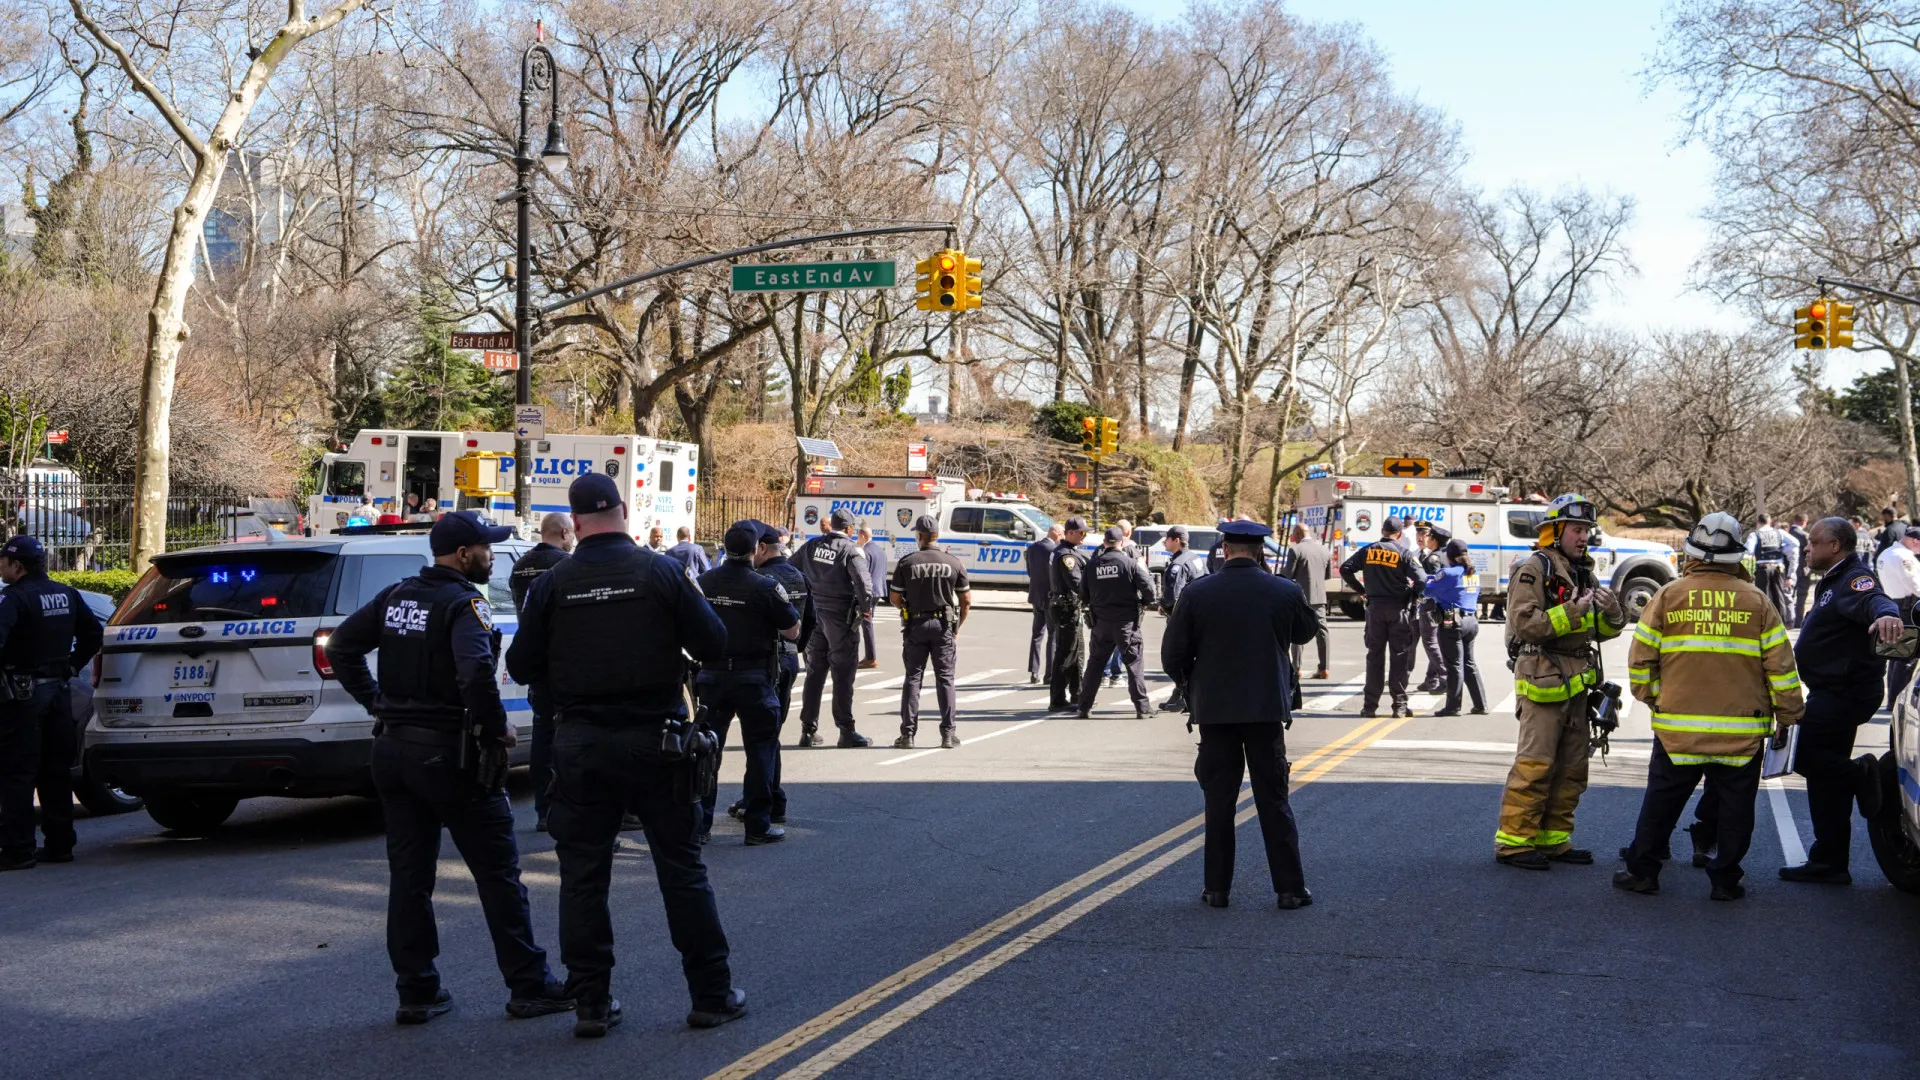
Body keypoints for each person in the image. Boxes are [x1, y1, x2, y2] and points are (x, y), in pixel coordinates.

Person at [504, 474, 742, 1038]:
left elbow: (520, 666)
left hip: (580, 741)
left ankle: (591, 1003)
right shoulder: (659, 571)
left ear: (576, 523)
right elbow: (714, 642)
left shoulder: (556, 582)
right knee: (681, 871)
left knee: (582, 877)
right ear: (624, 513)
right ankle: (710, 995)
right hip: (655, 738)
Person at [326, 511, 570, 1026]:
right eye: (485, 548)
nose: (489, 557)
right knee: (498, 874)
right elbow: (475, 670)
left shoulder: (396, 597)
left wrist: (378, 704)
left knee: (409, 878)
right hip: (450, 755)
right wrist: (495, 726)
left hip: (393, 751)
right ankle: (528, 985)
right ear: (464, 555)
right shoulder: (465, 604)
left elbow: (342, 646)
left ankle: (416, 991)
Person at [1614, 513, 1804, 901]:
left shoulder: (1668, 595)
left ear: (1693, 553)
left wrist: (1657, 699)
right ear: (1737, 555)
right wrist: (1789, 716)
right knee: (1735, 812)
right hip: (1741, 734)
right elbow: (1782, 669)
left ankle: (1644, 873)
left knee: (1661, 804)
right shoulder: (1758, 602)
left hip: (1678, 732)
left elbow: (1640, 660)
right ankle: (1724, 880)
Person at [1161, 519, 1319, 910]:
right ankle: (1289, 889)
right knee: (1273, 800)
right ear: (1261, 551)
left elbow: (1172, 655)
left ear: (1225, 549)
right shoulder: (1283, 590)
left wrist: (1190, 684)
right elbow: (1305, 633)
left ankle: (1217, 889)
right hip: (1265, 710)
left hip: (1215, 711)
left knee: (1219, 803)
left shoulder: (1198, 592)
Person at [1493, 493, 1626, 870]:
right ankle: (1515, 842)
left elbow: (1598, 631)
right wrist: (1572, 609)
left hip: (1576, 684)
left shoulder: (1583, 571)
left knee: (1571, 768)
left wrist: (1614, 613)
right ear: (1554, 531)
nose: (1584, 536)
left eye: (1587, 530)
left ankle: (1553, 839)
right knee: (1536, 764)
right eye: (1577, 529)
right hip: (1543, 680)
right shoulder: (1534, 568)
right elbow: (1525, 624)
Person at [1781, 516, 1904, 886]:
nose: (1806, 548)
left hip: (1845, 692)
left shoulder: (1853, 576)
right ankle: (1830, 860)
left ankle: (1861, 772)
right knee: (1823, 780)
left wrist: (1886, 615)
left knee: (1803, 755)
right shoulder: (1833, 579)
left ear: (1834, 546)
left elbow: (1875, 599)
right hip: (1831, 691)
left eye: (1813, 543)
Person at [0, 536, 102, 871]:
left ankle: (18, 850)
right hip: (59, 691)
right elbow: (92, 635)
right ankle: (60, 844)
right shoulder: (67, 593)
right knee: (55, 770)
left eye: (3, 560)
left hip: (24, 696)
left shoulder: (14, 598)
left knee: (18, 773)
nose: (0, 566)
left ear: (18, 565)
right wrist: (72, 665)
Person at [696, 521, 800, 846]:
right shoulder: (764, 587)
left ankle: (699, 827)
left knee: (705, 752)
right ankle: (757, 826)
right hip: (754, 678)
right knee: (760, 751)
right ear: (756, 550)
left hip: (711, 677)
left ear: (724, 549)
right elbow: (793, 630)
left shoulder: (703, 582)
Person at [510, 514, 577, 833]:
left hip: (537, 664)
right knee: (570, 737)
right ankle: (565, 805)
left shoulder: (520, 565)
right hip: (565, 663)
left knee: (542, 734)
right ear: (564, 532)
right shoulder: (566, 565)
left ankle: (542, 808)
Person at [794, 507, 875, 748]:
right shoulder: (851, 550)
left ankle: (808, 730)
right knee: (842, 674)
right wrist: (866, 607)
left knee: (814, 672)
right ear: (850, 529)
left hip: (815, 615)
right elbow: (864, 584)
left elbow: (790, 568)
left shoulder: (811, 546)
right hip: (840, 618)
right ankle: (846, 730)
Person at [890, 515, 971, 749]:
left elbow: (895, 597)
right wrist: (956, 627)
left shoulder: (908, 562)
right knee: (945, 679)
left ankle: (907, 735)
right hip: (943, 626)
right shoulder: (953, 562)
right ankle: (948, 734)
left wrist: (906, 607)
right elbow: (965, 601)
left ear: (919, 536)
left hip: (915, 624)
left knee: (913, 679)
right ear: (937, 535)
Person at [1338, 516, 1425, 718]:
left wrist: (1362, 590)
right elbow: (1420, 579)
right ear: (1399, 534)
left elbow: (1345, 569)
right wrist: (1413, 596)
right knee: (1400, 658)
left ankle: (1369, 707)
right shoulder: (1403, 553)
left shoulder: (1368, 550)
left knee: (1374, 658)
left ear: (1383, 531)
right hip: (1398, 610)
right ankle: (1400, 706)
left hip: (1375, 610)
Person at [1077, 525, 1156, 718]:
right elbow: (1150, 590)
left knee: (1095, 664)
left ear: (1105, 543)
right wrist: (1144, 603)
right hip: (1126, 623)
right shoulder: (1129, 563)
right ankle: (1142, 708)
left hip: (1101, 623)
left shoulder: (1092, 565)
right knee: (1134, 664)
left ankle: (1084, 707)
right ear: (1121, 543)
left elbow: (1082, 594)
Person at [1424, 538, 1486, 717]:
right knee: (1469, 664)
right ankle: (1480, 704)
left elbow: (1427, 591)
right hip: (1471, 621)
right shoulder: (1473, 573)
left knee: (1454, 665)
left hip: (1453, 621)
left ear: (1449, 557)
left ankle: (1453, 706)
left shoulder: (1448, 574)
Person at [1158, 525, 1207, 712]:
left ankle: (1184, 695)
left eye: (1167, 538)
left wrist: (1163, 604)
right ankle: (1180, 695)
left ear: (1176, 540)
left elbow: (1173, 595)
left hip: (1182, 618)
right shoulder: (1195, 558)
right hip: (1197, 615)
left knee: (1174, 657)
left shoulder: (1178, 565)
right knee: (1189, 656)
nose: (1164, 541)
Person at [1048, 518, 1091, 714]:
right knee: (1066, 654)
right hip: (1066, 608)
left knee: (1076, 652)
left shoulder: (1067, 552)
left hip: (1068, 607)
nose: (1084, 536)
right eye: (1081, 532)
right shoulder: (1067, 556)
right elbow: (1076, 583)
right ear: (1071, 532)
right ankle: (1057, 699)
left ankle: (1077, 694)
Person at [1875, 524, 1920, 706]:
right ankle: (1897, 701)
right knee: (1907, 656)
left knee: (1896, 656)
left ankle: (1893, 699)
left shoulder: (1886, 553)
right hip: (1908, 607)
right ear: (1915, 541)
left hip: (1894, 603)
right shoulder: (1904, 557)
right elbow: (1915, 584)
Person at [1284, 524, 1331, 682]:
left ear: (1297, 534)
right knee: (1322, 632)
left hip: (1301, 596)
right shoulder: (1324, 550)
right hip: (1319, 597)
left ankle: (1297, 668)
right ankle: (1324, 668)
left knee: (1298, 631)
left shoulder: (1296, 550)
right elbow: (1328, 575)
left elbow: (1287, 576)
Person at [1411, 522, 1448, 693]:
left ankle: (1444, 676)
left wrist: (1423, 596)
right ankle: (1431, 678)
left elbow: (1433, 581)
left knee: (1431, 642)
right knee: (1429, 641)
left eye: (1425, 534)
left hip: (1429, 604)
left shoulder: (1434, 557)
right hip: (1424, 604)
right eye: (1418, 534)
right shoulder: (1415, 554)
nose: (1421, 537)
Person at [1025, 523, 1062, 685]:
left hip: (1036, 595)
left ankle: (1034, 672)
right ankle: (1049, 674)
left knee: (1037, 635)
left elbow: (1030, 571)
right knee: (1052, 635)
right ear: (1057, 535)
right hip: (1050, 596)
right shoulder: (1054, 551)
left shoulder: (1033, 548)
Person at [1745, 512, 1797, 621]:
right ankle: (1780, 622)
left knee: (1763, 596)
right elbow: (1795, 543)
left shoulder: (1755, 534)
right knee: (1779, 596)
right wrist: (1782, 548)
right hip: (1778, 567)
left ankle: (1765, 622)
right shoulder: (1779, 533)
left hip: (1763, 568)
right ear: (1770, 522)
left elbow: (1749, 551)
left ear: (1758, 522)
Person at [857, 525, 889, 669]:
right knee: (867, 622)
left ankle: (870, 657)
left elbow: (864, 574)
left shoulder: (865, 551)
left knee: (866, 623)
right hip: (879, 590)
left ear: (863, 536)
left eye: (858, 536)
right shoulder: (880, 550)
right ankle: (869, 656)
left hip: (869, 592)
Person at [1788, 512, 1813, 628]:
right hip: (1803, 569)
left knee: (1789, 595)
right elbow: (1810, 552)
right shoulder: (1805, 536)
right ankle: (1798, 621)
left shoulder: (1786, 533)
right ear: (1804, 522)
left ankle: (1788, 619)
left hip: (1788, 569)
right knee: (1801, 595)